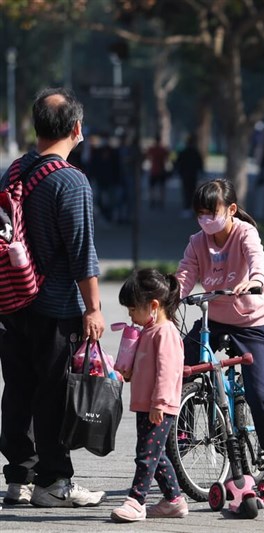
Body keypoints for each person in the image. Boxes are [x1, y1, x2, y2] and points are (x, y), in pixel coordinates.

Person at [0, 87, 106, 507]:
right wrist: (94, 309)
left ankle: (18, 479)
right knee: (53, 392)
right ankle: (54, 481)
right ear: (77, 128)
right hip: (55, 306)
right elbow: (83, 254)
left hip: (10, 300)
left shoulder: (13, 171)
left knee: (18, 389)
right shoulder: (71, 180)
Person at [175, 179, 264, 489]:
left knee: (259, 393)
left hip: (251, 321)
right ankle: (180, 436)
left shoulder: (245, 233)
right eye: (201, 213)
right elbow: (185, 273)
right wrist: (171, 297)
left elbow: (257, 260)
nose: (206, 219)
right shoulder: (197, 241)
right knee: (177, 370)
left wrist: (254, 280)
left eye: (212, 212)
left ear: (231, 209)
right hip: (214, 318)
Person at [110, 269, 188, 522]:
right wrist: (129, 372)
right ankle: (174, 500)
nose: (131, 314)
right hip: (147, 404)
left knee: (146, 455)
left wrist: (160, 403)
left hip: (159, 407)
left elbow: (168, 371)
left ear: (153, 305)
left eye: (133, 309)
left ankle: (136, 500)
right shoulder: (148, 330)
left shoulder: (166, 333)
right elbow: (147, 366)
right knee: (154, 454)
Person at [174, 134, 204, 217]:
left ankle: (187, 208)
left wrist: (177, 171)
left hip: (185, 175)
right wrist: (201, 172)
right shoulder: (195, 152)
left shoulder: (183, 152)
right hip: (193, 175)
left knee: (186, 191)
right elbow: (200, 164)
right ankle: (191, 208)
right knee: (192, 191)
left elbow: (178, 163)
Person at [145, 135, 170, 209]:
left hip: (153, 170)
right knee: (161, 187)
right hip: (161, 170)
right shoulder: (163, 149)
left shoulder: (152, 149)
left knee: (152, 187)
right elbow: (167, 158)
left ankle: (152, 200)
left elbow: (148, 157)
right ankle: (161, 201)